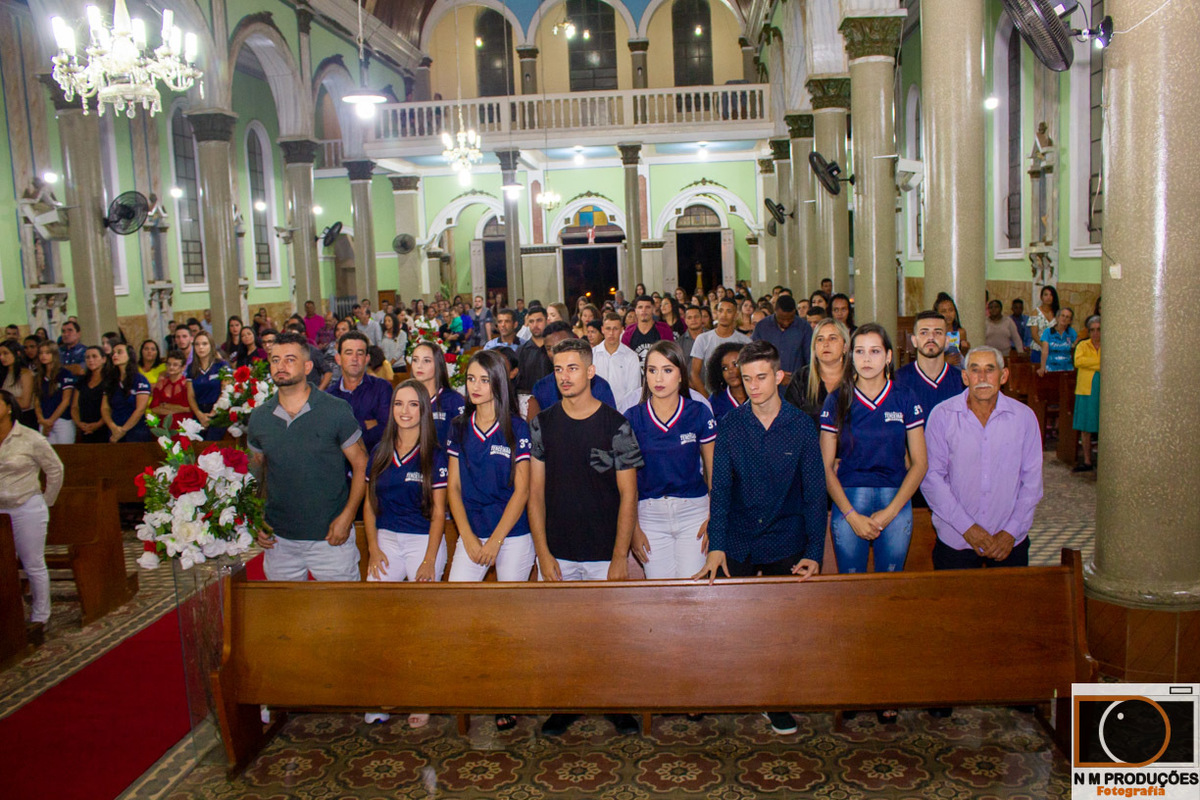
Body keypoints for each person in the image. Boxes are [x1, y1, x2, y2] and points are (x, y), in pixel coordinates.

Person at [694, 340, 825, 736]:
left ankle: (777, 699)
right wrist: (716, 545)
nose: (753, 386)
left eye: (761, 377)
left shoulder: (801, 425)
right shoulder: (731, 425)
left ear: (779, 377)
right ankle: (735, 689)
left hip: (787, 537)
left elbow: (815, 493)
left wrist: (815, 551)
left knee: (782, 628)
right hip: (739, 538)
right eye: (746, 378)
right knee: (735, 623)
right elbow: (721, 491)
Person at [529, 337, 643, 737]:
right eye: (558, 369)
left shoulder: (616, 424)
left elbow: (629, 494)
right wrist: (542, 552)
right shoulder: (543, 423)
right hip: (559, 550)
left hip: (601, 551)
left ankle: (615, 703)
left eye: (572, 368)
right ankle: (568, 704)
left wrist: (618, 557)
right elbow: (535, 494)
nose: (564, 376)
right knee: (564, 636)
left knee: (608, 634)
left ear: (591, 371)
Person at [360, 379, 448, 728]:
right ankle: (384, 693)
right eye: (399, 404)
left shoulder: (434, 454)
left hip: (422, 541)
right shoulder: (380, 452)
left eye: (413, 405)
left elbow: (439, 512)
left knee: (421, 623)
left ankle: (422, 693)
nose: (405, 411)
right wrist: (373, 548)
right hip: (386, 540)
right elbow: (369, 506)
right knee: (379, 621)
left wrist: (429, 559)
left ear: (424, 410)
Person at [248, 332, 368, 583]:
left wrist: (347, 517)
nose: (281, 366)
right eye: (275, 359)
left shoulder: (334, 410)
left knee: (342, 616)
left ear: (308, 366)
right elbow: (256, 475)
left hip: (330, 537)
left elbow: (361, 463)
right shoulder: (260, 417)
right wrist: (256, 518)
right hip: (280, 540)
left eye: (290, 359)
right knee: (287, 617)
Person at [922, 345, 1042, 569]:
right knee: (955, 605)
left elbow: (1032, 483)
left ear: (1003, 376)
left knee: (1009, 605)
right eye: (975, 370)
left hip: (1009, 542)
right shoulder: (942, 415)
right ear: (965, 377)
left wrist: (1010, 532)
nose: (983, 377)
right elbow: (932, 479)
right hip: (956, 540)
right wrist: (968, 528)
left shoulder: (1024, 418)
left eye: (990, 369)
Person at [624, 341, 715, 579]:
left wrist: (714, 516)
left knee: (692, 592)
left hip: (693, 513)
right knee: (660, 596)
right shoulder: (632, 417)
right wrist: (633, 528)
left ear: (681, 375)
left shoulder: (699, 411)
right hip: (649, 515)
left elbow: (713, 472)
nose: (658, 378)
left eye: (667, 370)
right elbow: (627, 481)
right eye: (652, 370)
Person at [0, 388, 63, 627]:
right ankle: (9, 616)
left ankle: (40, 616)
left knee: (32, 563)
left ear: (8, 408)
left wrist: (46, 501)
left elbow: (55, 469)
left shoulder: (30, 438)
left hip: (26, 505)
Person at [528, 324, 616, 418]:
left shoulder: (600, 386)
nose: (556, 353)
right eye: (550, 348)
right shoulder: (541, 388)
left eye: (562, 346)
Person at [327, 331, 393, 452]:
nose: (354, 359)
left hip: (376, 463)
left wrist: (346, 434)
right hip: (341, 467)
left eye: (360, 353)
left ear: (367, 358)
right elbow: (329, 438)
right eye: (348, 353)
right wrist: (365, 425)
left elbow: (387, 431)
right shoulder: (329, 396)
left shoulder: (382, 388)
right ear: (338, 359)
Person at [894, 311, 965, 415]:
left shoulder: (961, 381)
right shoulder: (898, 380)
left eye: (938, 332)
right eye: (924, 332)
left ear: (947, 341)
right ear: (914, 340)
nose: (931, 337)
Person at [784, 318, 848, 426]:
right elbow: (788, 420)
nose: (826, 344)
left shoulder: (857, 378)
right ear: (814, 346)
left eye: (832, 338)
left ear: (845, 347)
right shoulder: (801, 378)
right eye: (820, 339)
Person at [690, 298, 751, 397]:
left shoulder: (745, 342)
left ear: (736, 315)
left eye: (729, 311)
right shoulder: (702, 339)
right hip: (711, 394)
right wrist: (707, 399)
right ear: (716, 313)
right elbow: (694, 373)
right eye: (721, 310)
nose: (724, 315)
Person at [409, 340, 465, 446]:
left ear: (438, 364)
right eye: (415, 360)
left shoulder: (454, 400)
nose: (419, 366)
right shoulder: (405, 398)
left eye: (426, 361)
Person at [751, 294, 811, 383]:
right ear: (775, 311)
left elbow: (810, 359)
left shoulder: (804, 327)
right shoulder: (762, 327)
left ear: (794, 312)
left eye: (790, 318)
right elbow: (755, 358)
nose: (786, 322)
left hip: (797, 384)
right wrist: (775, 375)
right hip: (767, 383)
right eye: (782, 319)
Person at [101, 343, 152, 442]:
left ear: (129, 356)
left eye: (119, 352)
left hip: (136, 431)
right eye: (113, 353)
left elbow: (140, 409)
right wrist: (113, 427)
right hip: (115, 430)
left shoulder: (140, 380)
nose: (115, 355)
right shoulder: (111, 381)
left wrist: (123, 430)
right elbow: (104, 408)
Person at [185, 331, 228, 441]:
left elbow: (225, 391)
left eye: (204, 344)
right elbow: (190, 395)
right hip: (198, 412)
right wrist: (199, 414)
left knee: (212, 446)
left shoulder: (221, 365)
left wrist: (213, 413)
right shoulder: (191, 368)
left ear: (211, 345)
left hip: (217, 412)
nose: (201, 347)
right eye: (197, 344)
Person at [1072, 315, 1101, 473]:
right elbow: (1078, 362)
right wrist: (1098, 364)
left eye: (1099, 330)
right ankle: (1087, 460)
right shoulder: (1083, 345)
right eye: (1092, 330)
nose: (1096, 333)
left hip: (1103, 391)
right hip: (1085, 390)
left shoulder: (1108, 345)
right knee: (1085, 426)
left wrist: (1093, 364)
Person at [592, 312, 641, 404]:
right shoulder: (592, 355)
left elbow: (633, 391)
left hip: (622, 413)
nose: (611, 333)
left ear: (622, 330)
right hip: (595, 410)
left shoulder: (631, 357)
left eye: (615, 329)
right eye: (608, 328)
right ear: (602, 329)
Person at [33, 342, 76, 444]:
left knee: (65, 453)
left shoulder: (64, 374)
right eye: (41, 353)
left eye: (47, 353)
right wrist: (41, 419)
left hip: (62, 420)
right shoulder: (38, 377)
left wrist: (51, 421)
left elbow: (65, 401)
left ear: (54, 354)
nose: (43, 356)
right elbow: (36, 402)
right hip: (44, 420)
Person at [514, 305, 550, 416]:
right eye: (531, 321)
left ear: (547, 321)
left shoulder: (555, 349)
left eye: (539, 320)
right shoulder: (521, 351)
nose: (535, 325)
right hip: (529, 407)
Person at [621, 295, 675, 367]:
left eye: (647, 307)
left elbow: (671, 358)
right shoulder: (628, 333)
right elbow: (623, 360)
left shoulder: (664, 330)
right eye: (640, 307)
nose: (644, 310)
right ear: (635, 310)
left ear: (653, 309)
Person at [72, 347, 111, 443]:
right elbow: (74, 407)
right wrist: (79, 423)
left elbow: (111, 407)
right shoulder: (82, 380)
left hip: (105, 428)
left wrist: (98, 424)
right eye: (87, 357)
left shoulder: (110, 380)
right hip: (84, 429)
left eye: (94, 356)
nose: (91, 360)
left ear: (103, 359)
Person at [149, 350, 193, 427]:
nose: (171, 367)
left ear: (183, 367)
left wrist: (165, 405)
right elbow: (154, 408)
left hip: (183, 427)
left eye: (175, 365)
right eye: (168, 364)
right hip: (163, 427)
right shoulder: (161, 384)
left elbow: (189, 409)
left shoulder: (187, 385)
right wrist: (178, 409)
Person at [706, 342, 748, 420]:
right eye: (724, 368)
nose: (730, 371)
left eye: (735, 365)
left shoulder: (757, 394)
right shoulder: (715, 401)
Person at [0, 340, 35, 428]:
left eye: (5, 353)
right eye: (0, 354)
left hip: (25, 419)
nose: (2, 357)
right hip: (8, 419)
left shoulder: (26, 374)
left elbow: (25, 403)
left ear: (18, 353)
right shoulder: (4, 374)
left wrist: (6, 399)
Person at [1038, 307, 1076, 375]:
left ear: (1070, 321)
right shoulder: (1048, 332)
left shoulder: (1071, 332)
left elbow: (1078, 345)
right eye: (1062, 316)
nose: (1064, 318)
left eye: (1067, 317)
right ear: (1057, 317)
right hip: (1051, 369)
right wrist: (1042, 367)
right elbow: (1044, 351)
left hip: (1067, 369)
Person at [1028, 285, 1060, 364]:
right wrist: (1045, 346)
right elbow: (1034, 334)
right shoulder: (1035, 312)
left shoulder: (1058, 313)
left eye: (1051, 295)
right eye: (1046, 295)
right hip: (1038, 350)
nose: (1048, 297)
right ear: (1041, 297)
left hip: (1055, 350)